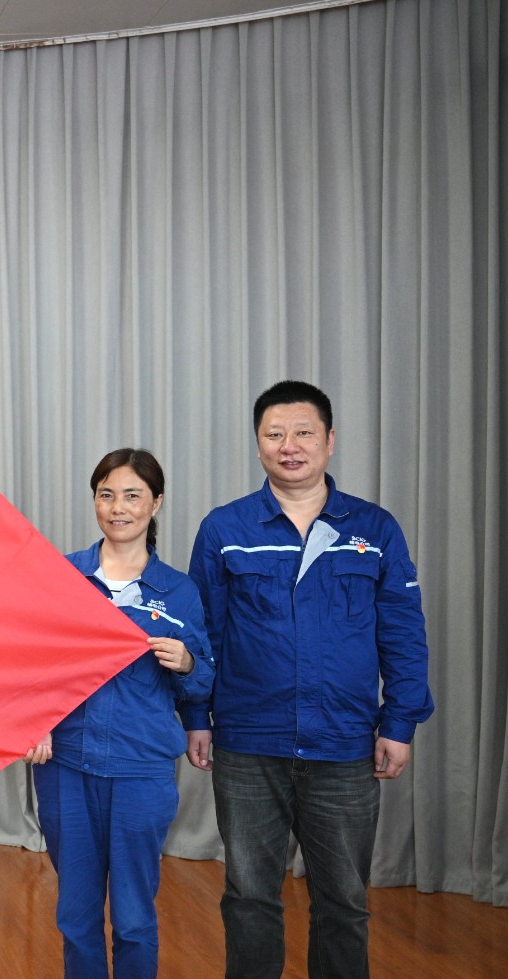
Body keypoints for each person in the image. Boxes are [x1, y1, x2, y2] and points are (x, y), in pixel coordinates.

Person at [184, 380, 434, 978]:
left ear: (329, 440)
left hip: (344, 744)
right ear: (258, 444)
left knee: (344, 902)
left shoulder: (374, 529)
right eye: (274, 434)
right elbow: (203, 635)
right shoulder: (225, 528)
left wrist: (399, 723)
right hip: (249, 743)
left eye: (303, 433)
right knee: (248, 896)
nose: (288, 446)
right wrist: (196, 717)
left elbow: (403, 633)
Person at [23, 448, 214, 979]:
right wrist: (36, 720)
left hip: (141, 768)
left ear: (156, 503)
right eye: (106, 495)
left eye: (132, 495)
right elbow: (29, 662)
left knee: (133, 917)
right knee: (75, 914)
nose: (118, 508)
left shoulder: (178, 590)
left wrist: (187, 662)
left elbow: (203, 680)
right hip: (66, 765)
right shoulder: (63, 577)